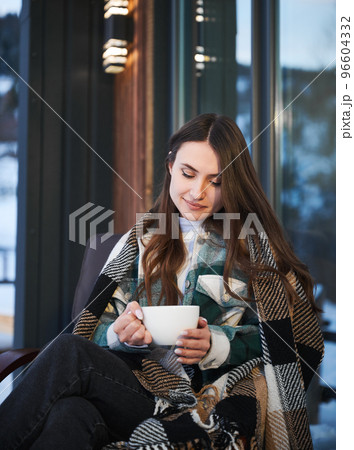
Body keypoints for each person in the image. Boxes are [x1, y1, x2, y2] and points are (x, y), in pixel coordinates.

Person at [0, 113, 324, 449]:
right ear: (170, 167)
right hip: (137, 391)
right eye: (188, 173)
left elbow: (296, 345)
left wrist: (218, 344)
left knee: (69, 369)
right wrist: (120, 334)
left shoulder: (255, 251)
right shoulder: (139, 243)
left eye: (216, 181)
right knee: (70, 412)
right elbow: (92, 331)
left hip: (206, 403)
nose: (197, 192)